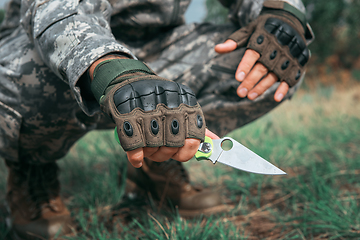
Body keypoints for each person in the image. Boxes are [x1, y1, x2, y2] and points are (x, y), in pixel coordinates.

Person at [0, 0, 314, 238]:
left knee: (272, 63)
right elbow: (57, 9)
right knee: (30, 76)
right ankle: (32, 169)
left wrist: (281, 13)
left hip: (161, 46)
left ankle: (160, 157)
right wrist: (114, 70)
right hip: (57, 39)